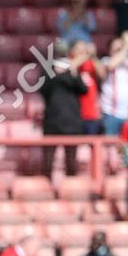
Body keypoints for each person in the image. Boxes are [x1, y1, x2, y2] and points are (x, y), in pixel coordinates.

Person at [41, 40, 89, 178]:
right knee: (48, 160)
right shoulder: (48, 68)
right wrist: (55, 74)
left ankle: (72, 188)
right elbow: (43, 90)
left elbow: (83, 90)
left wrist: (72, 72)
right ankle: (46, 188)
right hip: (52, 120)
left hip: (71, 121)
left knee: (71, 161)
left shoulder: (72, 68)